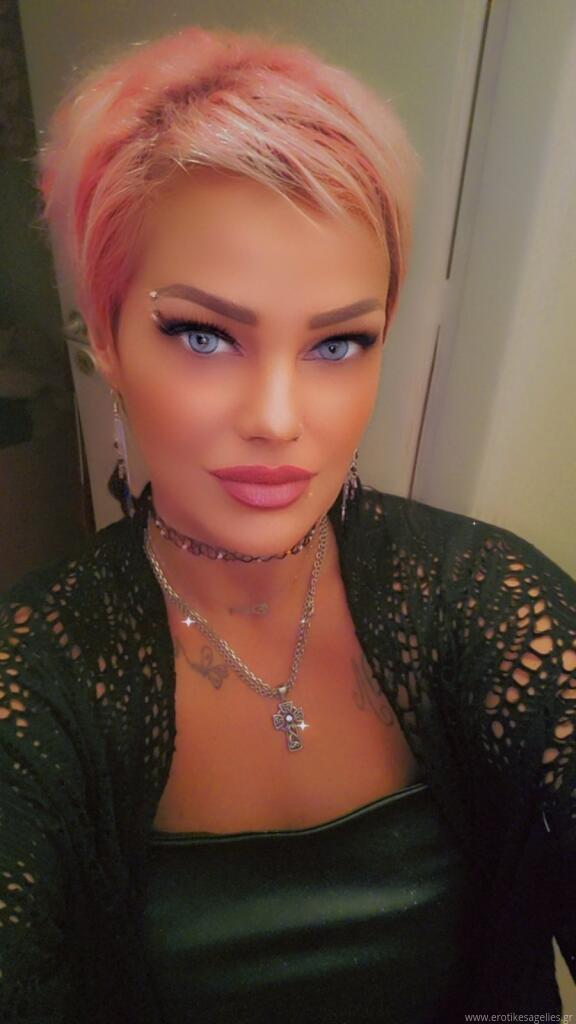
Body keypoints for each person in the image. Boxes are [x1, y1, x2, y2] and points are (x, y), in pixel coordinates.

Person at [0, 23, 574, 1024]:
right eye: (204, 334)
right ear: (107, 341)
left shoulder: (487, 604)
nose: (276, 418)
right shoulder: (34, 681)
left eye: (338, 344)